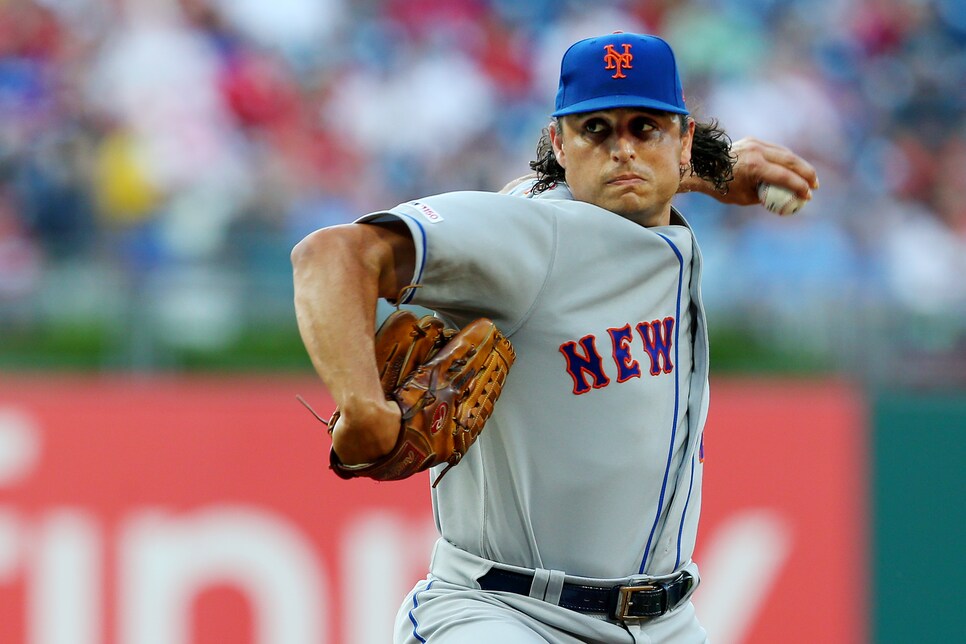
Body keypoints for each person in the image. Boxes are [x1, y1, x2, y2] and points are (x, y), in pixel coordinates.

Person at [292, 32, 818, 643]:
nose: (622, 148)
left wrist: (715, 173)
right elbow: (331, 253)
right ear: (559, 145)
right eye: (595, 129)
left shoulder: (646, 220)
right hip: (505, 612)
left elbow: (637, 185)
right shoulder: (530, 236)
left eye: (645, 127)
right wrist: (360, 403)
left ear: (684, 142)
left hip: (667, 622)